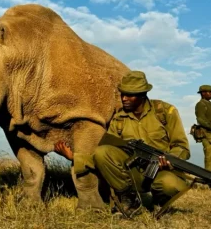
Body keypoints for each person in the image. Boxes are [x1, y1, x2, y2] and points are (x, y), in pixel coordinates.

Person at [54, 71, 190, 218]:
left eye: (130, 95)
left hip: (162, 171)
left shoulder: (165, 112)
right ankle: (129, 200)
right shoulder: (119, 119)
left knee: (169, 184)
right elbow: (102, 157)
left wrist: (169, 158)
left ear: (142, 95)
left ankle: (159, 202)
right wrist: (74, 157)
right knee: (102, 151)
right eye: (122, 94)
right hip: (134, 174)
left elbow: (182, 147)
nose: (124, 98)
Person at [195, 85, 211, 170]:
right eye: (209, 92)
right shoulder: (201, 104)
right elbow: (200, 119)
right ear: (203, 93)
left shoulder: (208, 104)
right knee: (209, 157)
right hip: (207, 134)